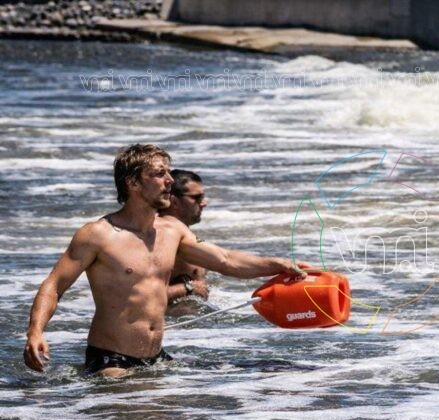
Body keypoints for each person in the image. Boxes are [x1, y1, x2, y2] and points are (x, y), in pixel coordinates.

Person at [23, 143, 307, 377]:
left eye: (169, 173)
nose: (170, 181)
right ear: (133, 182)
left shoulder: (172, 231)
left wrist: (279, 264)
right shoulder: (98, 235)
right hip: (111, 363)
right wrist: (35, 333)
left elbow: (226, 260)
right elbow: (54, 285)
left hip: (156, 357)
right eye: (159, 174)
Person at [160, 169, 209, 303]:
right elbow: (135, 295)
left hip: (195, 321)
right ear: (174, 201)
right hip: (169, 323)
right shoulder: (158, 241)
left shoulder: (188, 237)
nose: (204, 203)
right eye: (196, 198)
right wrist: (186, 288)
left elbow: (227, 261)